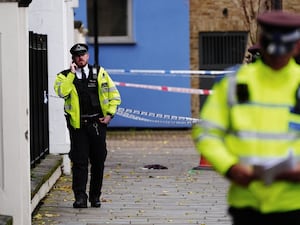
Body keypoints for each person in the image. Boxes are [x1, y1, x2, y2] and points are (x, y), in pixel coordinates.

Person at [192, 11, 300, 225]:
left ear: (296, 47)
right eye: (272, 52)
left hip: (293, 203)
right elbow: (207, 132)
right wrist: (230, 167)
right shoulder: (235, 83)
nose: (277, 59)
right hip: (247, 202)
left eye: (282, 52)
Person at [54, 43, 121, 208]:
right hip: (78, 127)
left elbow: (114, 95)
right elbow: (62, 92)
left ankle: (95, 196)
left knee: (98, 161)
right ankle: (80, 197)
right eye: (77, 55)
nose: (80, 57)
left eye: (83, 54)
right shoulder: (63, 76)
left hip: (97, 124)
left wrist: (110, 114)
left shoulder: (99, 72)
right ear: (73, 58)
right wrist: (71, 75)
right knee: (79, 162)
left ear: (87, 56)